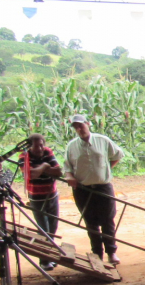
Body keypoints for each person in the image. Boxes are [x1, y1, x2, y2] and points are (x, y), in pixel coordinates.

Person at [64, 114, 124, 264]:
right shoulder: (71, 146)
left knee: (108, 220)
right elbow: (67, 167)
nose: (79, 129)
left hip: (103, 187)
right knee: (90, 222)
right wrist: (70, 177)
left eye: (81, 125)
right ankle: (97, 254)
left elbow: (117, 154)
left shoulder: (102, 140)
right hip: (82, 189)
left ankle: (111, 252)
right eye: (76, 127)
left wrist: (107, 169)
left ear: (88, 124)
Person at [20, 133, 63, 270]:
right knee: (43, 229)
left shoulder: (47, 152)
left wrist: (43, 168)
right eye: (36, 145)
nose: (40, 148)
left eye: (41, 144)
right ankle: (44, 260)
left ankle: (50, 256)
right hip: (36, 197)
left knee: (52, 227)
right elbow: (30, 174)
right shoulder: (24, 156)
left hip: (51, 195)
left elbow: (58, 171)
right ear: (30, 146)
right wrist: (45, 166)